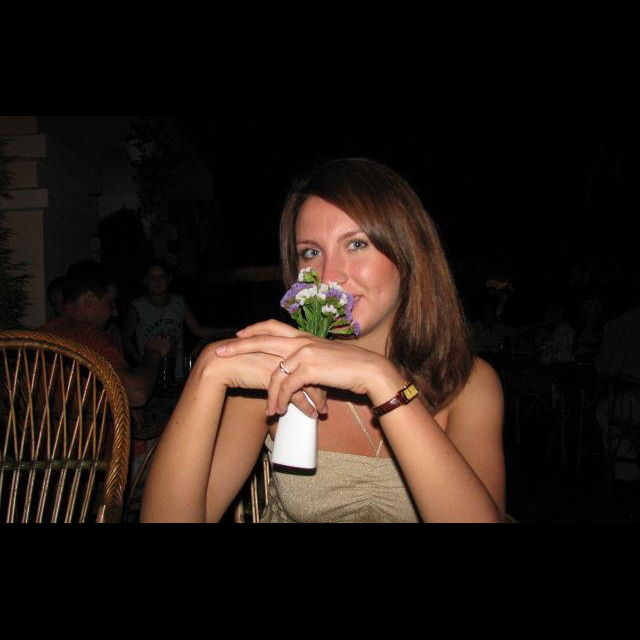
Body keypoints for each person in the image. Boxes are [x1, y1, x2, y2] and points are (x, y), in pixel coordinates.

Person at [141, 158, 505, 523]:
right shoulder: (275, 375)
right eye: (312, 252)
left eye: (357, 244)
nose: (329, 276)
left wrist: (382, 379)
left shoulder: (468, 383)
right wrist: (207, 371)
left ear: (409, 252)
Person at [39, 261, 170, 408]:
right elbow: (137, 393)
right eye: (110, 303)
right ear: (89, 301)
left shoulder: (37, 336)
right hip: (91, 423)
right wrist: (153, 352)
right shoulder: (89, 336)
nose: (115, 312)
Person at [122, 261, 219, 383]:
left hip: (176, 374)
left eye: (161, 277)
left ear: (169, 279)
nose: (157, 282)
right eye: (152, 277)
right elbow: (125, 336)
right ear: (145, 281)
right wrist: (138, 358)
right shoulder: (137, 307)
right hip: (149, 374)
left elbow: (199, 330)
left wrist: (228, 331)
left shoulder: (179, 303)